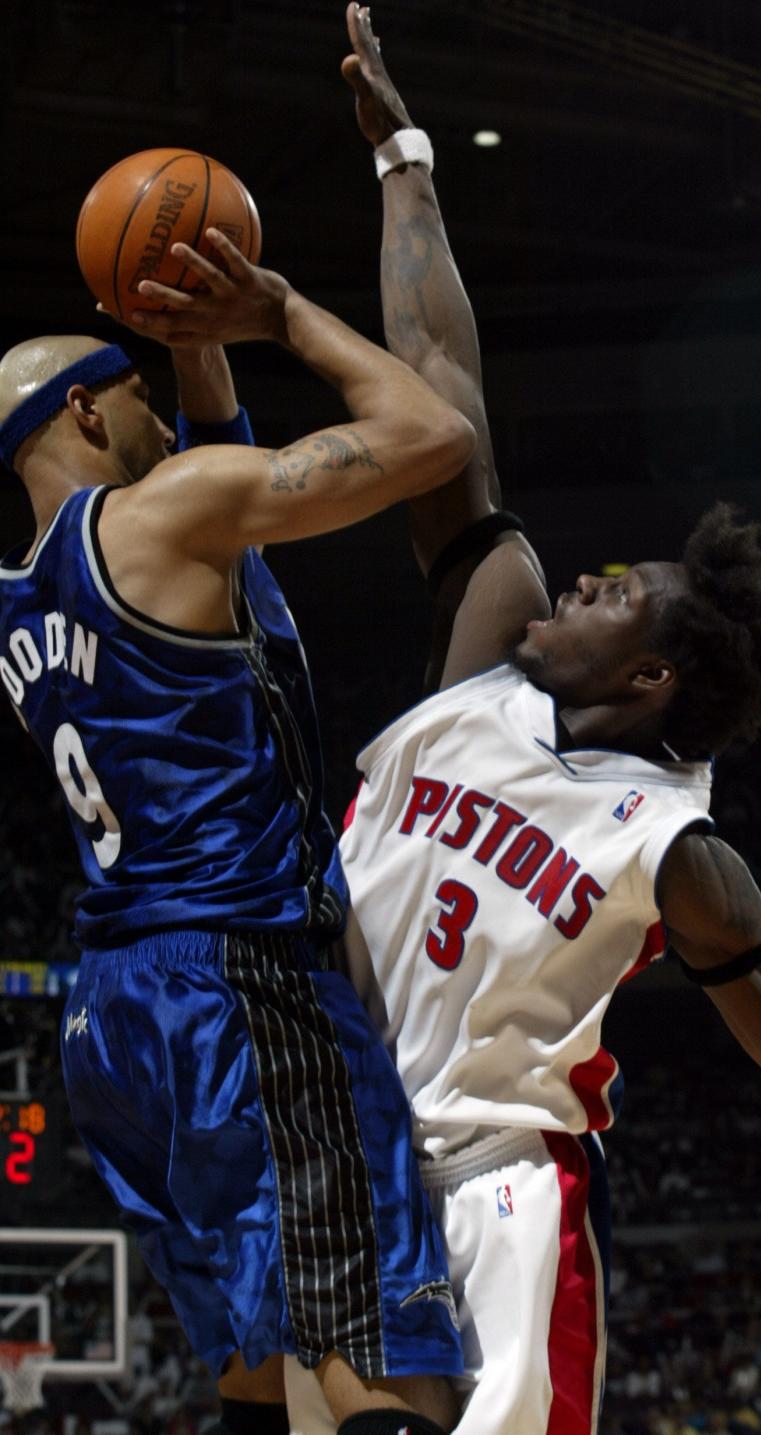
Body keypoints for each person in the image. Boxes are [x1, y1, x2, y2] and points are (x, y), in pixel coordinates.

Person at [291, 8, 761, 1434]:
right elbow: (446, 400)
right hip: (339, 1175)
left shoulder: (676, 844)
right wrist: (403, 156)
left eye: (617, 592)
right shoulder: (489, 651)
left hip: (494, 1203)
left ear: (654, 677)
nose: (582, 580)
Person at [0, 230, 478, 1435]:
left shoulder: (22, 603)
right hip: (239, 980)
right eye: (139, 393)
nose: (163, 413)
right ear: (86, 415)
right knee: (378, 1349)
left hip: (114, 1014)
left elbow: (221, 464)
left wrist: (193, 345)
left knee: (260, 1367)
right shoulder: (175, 516)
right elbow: (434, 438)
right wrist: (275, 307)